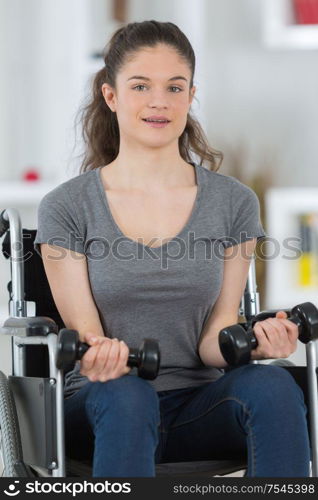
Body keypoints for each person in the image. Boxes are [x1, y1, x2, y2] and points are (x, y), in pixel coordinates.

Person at [34, 20, 310, 477]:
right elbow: (86, 336)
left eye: (174, 87)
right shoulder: (67, 205)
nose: (159, 101)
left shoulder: (233, 202)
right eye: (140, 85)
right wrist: (98, 354)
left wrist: (257, 348)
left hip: (197, 405)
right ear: (111, 96)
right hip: (103, 403)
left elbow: (214, 340)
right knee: (128, 394)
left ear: (190, 95)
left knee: (274, 387)